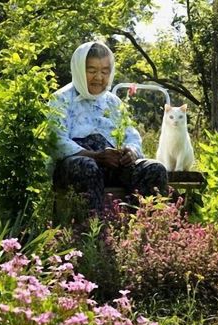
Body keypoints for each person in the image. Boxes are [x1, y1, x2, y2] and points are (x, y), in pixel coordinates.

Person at [50, 41, 168, 212]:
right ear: (78, 69)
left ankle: (144, 232)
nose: (99, 77)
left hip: (114, 166)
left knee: (154, 168)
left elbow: (131, 135)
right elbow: (56, 141)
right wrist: (95, 156)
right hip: (78, 166)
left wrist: (131, 152)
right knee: (86, 166)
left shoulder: (112, 102)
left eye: (105, 72)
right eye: (91, 71)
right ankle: (92, 234)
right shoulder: (61, 100)